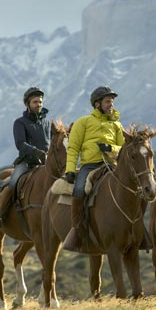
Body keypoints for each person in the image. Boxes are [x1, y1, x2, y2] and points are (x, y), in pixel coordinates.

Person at [63, 86, 125, 252]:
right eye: (107, 101)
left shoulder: (117, 125)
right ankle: (77, 230)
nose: (110, 104)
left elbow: (124, 149)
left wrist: (110, 148)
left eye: (112, 101)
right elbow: (73, 148)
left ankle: (138, 230)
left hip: (112, 166)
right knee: (79, 190)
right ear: (97, 104)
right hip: (90, 166)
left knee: (133, 188)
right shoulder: (83, 122)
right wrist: (70, 170)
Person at [0, 87, 50, 231]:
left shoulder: (47, 123)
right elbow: (20, 144)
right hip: (27, 163)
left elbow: (50, 142)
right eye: (35, 102)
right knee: (13, 183)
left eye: (40, 102)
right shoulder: (20, 122)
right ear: (27, 104)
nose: (38, 104)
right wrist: (37, 153)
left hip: (46, 163)